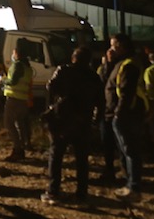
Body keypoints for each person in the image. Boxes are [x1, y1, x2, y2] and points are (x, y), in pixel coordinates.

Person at [41, 46, 102, 205]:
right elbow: (100, 102)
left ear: (73, 58)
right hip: (83, 123)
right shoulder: (94, 77)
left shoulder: (64, 70)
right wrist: (95, 123)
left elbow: (51, 87)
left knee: (56, 156)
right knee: (82, 160)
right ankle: (81, 195)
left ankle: (53, 192)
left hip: (62, 121)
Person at [105, 33, 148, 202]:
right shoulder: (122, 63)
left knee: (130, 150)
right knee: (127, 151)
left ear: (122, 46)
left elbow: (126, 93)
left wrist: (118, 114)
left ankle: (134, 187)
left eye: (114, 45)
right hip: (125, 113)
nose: (111, 49)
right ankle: (130, 183)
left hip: (126, 114)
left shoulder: (129, 65)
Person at [2, 45, 32, 161]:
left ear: (17, 53)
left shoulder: (18, 65)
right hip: (23, 100)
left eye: (14, 52)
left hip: (14, 99)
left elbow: (13, 81)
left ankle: (17, 149)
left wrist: (2, 80)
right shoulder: (28, 67)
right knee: (20, 125)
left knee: (9, 124)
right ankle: (22, 147)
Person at [96, 47, 119, 182]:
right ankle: (109, 169)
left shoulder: (120, 68)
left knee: (118, 143)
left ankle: (120, 171)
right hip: (105, 109)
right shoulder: (103, 69)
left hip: (114, 109)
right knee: (107, 142)